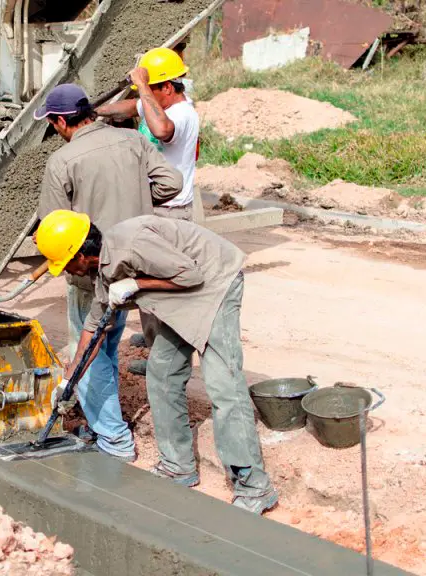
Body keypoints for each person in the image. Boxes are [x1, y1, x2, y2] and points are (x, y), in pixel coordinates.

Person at [34, 209, 279, 515]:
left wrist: (138, 285)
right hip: (181, 293)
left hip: (215, 282)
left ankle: (255, 486)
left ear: (81, 254)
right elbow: (93, 329)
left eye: (66, 264)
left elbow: (191, 275)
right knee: (162, 373)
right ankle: (178, 466)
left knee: (223, 385)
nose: (67, 273)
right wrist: (70, 380)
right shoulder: (105, 272)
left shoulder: (131, 246)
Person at [34, 83, 183, 462]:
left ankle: (113, 438)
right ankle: (128, 428)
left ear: (63, 122)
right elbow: (172, 183)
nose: (54, 130)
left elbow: (52, 226)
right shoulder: (132, 140)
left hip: (92, 268)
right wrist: (140, 201)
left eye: (53, 124)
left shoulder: (63, 162)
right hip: (141, 263)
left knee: (92, 350)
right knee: (113, 342)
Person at [97, 47, 199, 221]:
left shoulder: (182, 113)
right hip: (152, 206)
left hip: (169, 210)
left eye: (149, 90)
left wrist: (143, 85)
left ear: (167, 87)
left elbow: (161, 130)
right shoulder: (158, 106)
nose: (144, 96)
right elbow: (130, 107)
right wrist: (96, 111)